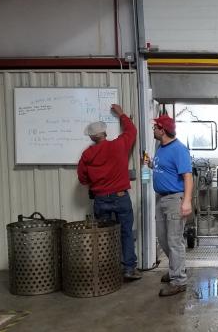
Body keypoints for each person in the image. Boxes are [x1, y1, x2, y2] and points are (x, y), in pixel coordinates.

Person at [77, 104, 141, 280]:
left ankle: (106, 270)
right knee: (126, 233)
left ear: (91, 137)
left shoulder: (87, 154)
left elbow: (82, 178)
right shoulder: (119, 145)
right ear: (105, 133)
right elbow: (132, 131)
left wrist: (95, 182)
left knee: (103, 236)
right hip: (121, 197)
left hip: (100, 200)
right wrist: (121, 114)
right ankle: (128, 269)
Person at [148, 114, 193, 297]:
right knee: (163, 239)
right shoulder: (160, 146)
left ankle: (179, 281)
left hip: (175, 199)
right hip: (161, 199)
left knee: (174, 241)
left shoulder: (179, 149)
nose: (153, 130)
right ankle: (177, 268)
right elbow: (165, 169)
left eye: (155, 128)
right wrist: (151, 164)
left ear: (163, 130)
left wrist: (187, 201)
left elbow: (187, 177)